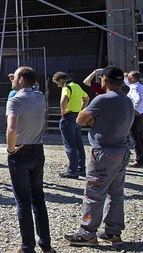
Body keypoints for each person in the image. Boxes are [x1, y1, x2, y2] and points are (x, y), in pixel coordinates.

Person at [64, 66, 133, 247]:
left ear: (104, 80)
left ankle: (87, 233)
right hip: (122, 151)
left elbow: (80, 118)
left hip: (104, 153)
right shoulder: (127, 100)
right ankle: (113, 233)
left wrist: (93, 120)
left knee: (94, 193)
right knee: (116, 194)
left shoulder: (103, 99)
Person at [6, 67, 55, 253]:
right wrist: (22, 79)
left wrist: (11, 150)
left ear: (21, 79)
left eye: (15, 77)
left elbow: (11, 129)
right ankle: (46, 245)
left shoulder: (14, 100)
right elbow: (35, 86)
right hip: (38, 150)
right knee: (39, 199)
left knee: (23, 202)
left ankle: (27, 247)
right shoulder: (40, 97)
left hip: (20, 151)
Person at [52, 71, 89, 178]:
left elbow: (64, 99)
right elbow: (86, 98)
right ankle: (81, 168)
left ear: (61, 80)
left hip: (68, 117)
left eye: (57, 83)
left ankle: (72, 171)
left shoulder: (66, 87)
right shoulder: (77, 86)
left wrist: (63, 111)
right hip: (77, 116)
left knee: (70, 145)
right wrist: (82, 109)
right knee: (79, 144)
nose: (58, 85)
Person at [124, 70, 143, 168]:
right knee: (140, 136)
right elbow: (128, 83)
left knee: (135, 138)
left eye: (129, 77)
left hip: (135, 114)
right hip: (140, 113)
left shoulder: (135, 88)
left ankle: (139, 160)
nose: (128, 79)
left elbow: (138, 100)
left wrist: (134, 109)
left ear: (133, 79)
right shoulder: (139, 86)